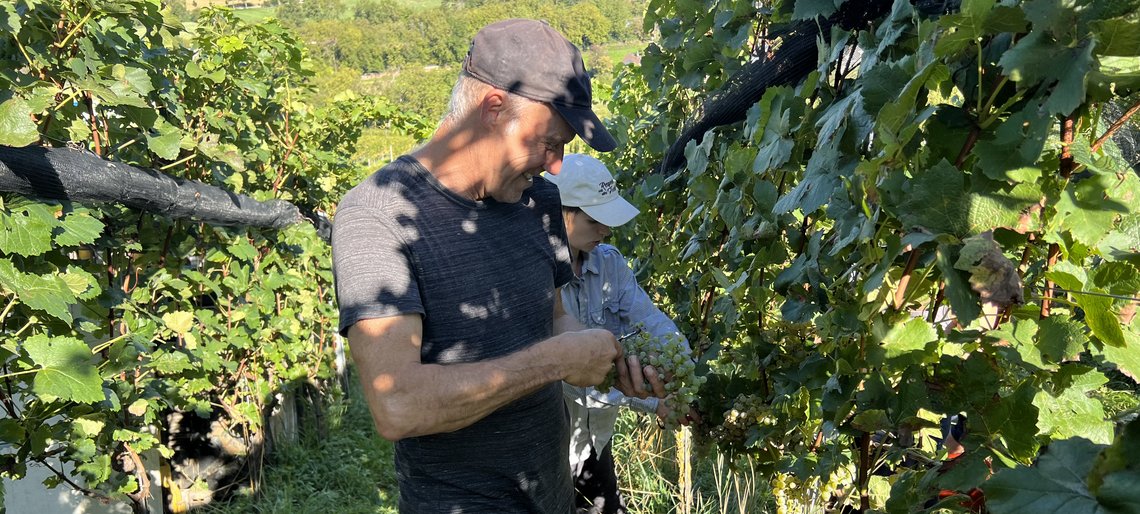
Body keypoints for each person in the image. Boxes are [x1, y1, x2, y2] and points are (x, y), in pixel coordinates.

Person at [331, 19, 665, 514]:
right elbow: (396, 404)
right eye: (550, 142)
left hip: (551, 495)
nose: (556, 165)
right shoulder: (378, 216)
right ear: (492, 109)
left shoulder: (539, 202)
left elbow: (555, 320)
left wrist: (609, 362)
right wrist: (555, 362)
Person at [545, 154, 692, 514]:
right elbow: (576, 377)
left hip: (595, 438)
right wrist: (654, 402)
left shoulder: (609, 262)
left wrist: (682, 376)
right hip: (548, 446)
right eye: (595, 220)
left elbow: (650, 320)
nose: (606, 231)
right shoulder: (537, 275)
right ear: (561, 214)